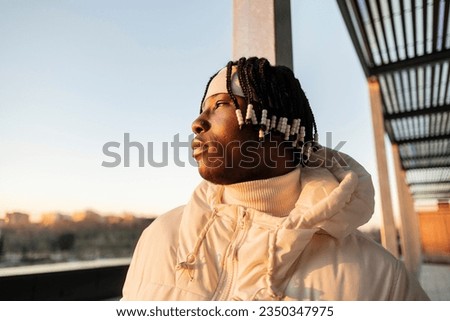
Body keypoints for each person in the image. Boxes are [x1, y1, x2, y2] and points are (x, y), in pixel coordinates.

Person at [122, 57, 429, 300]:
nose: (197, 123)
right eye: (202, 109)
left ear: (275, 123)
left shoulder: (381, 279)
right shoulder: (161, 237)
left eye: (220, 105)